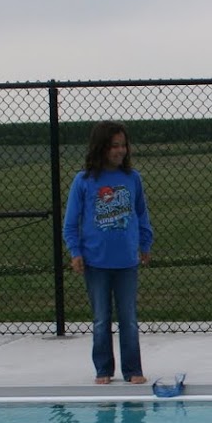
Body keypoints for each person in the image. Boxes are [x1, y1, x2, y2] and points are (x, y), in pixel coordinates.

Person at [63, 121, 154, 385]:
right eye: (115, 146)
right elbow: (71, 222)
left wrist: (145, 243)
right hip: (96, 262)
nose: (120, 150)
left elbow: (141, 214)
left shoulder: (132, 178)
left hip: (126, 261)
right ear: (101, 147)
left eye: (123, 145)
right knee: (102, 319)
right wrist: (75, 251)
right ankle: (103, 369)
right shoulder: (84, 181)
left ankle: (132, 369)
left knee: (129, 318)